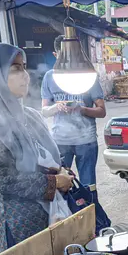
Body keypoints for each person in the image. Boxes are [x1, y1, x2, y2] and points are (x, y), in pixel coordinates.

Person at [0, 43, 73, 254]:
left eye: (24, 67)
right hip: (20, 226)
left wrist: (63, 172)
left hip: (54, 215)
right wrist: (54, 182)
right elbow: (6, 181)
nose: (25, 75)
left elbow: (51, 159)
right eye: (15, 69)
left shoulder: (32, 116)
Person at [41, 36, 106, 191]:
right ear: (55, 55)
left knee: (88, 186)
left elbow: (102, 111)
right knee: (61, 186)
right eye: (63, 58)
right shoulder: (49, 77)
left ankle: (92, 212)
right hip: (60, 140)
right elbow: (44, 111)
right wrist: (57, 107)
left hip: (86, 141)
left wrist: (81, 109)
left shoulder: (88, 77)